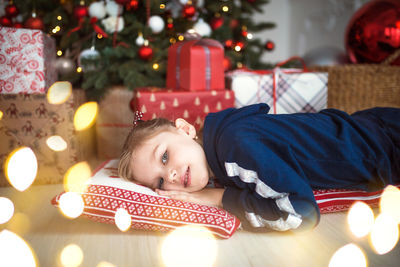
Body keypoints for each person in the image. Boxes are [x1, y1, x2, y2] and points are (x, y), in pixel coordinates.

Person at [118, 104, 400, 232]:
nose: (171, 176)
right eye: (159, 181)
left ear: (185, 129)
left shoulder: (236, 148)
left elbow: (301, 213)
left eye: (165, 157)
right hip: (371, 124)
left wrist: (221, 199)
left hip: (387, 148)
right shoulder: (221, 137)